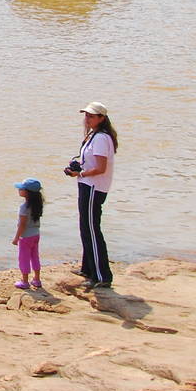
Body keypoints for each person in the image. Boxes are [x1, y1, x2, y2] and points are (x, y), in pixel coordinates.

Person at [65, 100, 117, 289]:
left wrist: (80, 173)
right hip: (87, 185)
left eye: (91, 116)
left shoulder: (102, 138)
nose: (87, 119)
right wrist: (77, 169)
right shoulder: (94, 135)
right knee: (85, 228)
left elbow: (101, 168)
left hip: (94, 187)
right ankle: (88, 268)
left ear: (101, 119)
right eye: (86, 115)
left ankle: (103, 276)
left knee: (92, 230)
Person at [11, 177, 43, 290]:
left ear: (27, 193)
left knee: (24, 258)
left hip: (25, 237)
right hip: (36, 234)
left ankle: (24, 281)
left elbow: (22, 225)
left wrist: (16, 238)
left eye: (21, 189)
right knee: (35, 256)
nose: (19, 190)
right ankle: (37, 279)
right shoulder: (38, 205)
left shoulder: (24, 207)